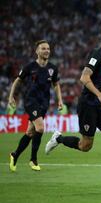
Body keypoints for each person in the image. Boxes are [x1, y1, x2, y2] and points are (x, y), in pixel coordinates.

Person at [44, 24, 101, 190]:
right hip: (89, 105)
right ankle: (59, 139)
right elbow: (84, 77)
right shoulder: (97, 55)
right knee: (85, 146)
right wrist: (100, 95)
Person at [8, 40, 63, 172]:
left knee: (30, 132)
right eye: (43, 48)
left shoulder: (52, 68)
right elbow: (18, 80)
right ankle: (33, 159)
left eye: (48, 48)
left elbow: (56, 84)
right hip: (30, 101)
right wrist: (11, 96)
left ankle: (14, 155)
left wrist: (59, 100)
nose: (47, 51)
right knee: (40, 128)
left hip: (44, 103)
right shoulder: (30, 67)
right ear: (37, 51)